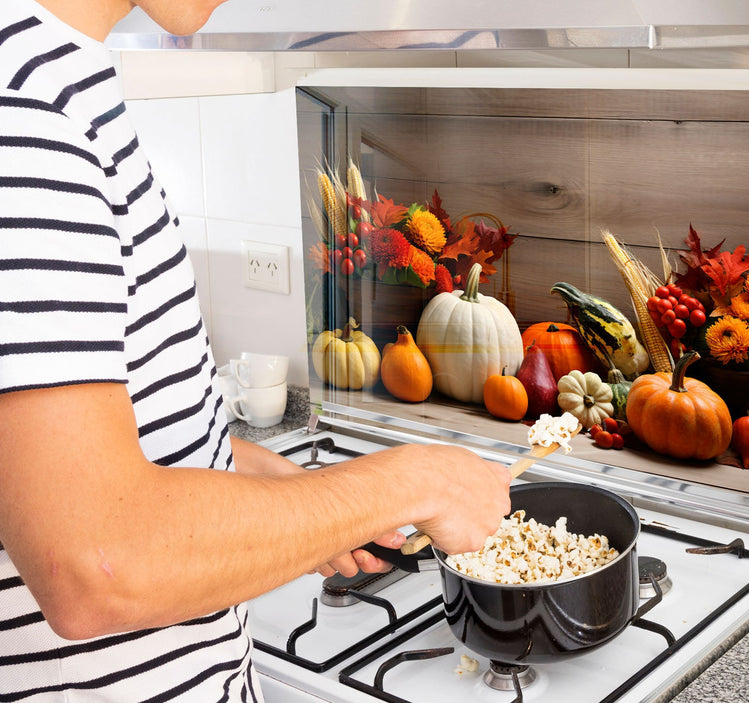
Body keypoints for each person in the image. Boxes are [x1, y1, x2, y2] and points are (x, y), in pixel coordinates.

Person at [0, 0, 513, 699]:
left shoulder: (55, 79)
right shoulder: (24, 117)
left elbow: (87, 450)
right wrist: (416, 480)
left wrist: (300, 499)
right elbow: (97, 562)